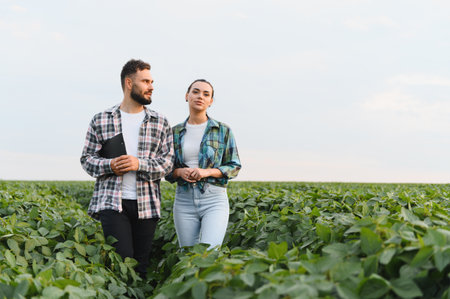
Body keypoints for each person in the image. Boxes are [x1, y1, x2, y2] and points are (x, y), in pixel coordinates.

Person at [80, 59, 174, 278]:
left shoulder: (160, 122)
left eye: (152, 81)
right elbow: (87, 159)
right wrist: (110, 165)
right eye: (146, 81)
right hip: (112, 203)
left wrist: (138, 163)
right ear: (129, 83)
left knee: (141, 266)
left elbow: (167, 163)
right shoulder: (101, 119)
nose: (151, 86)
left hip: (147, 204)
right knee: (122, 265)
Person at [165, 79, 241, 249]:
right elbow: (166, 169)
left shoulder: (223, 130)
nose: (200, 96)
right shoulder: (173, 132)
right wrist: (179, 173)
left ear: (211, 101)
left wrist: (207, 172)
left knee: (209, 253)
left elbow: (234, 166)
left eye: (206, 94)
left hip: (214, 199)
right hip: (184, 199)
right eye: (196, 91)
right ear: (187, 96)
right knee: (188, 255)